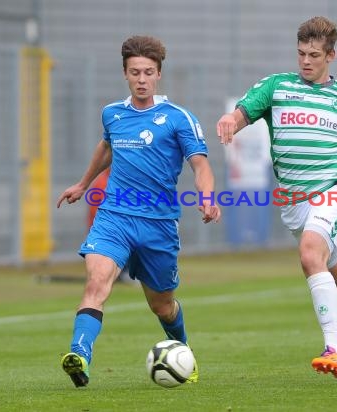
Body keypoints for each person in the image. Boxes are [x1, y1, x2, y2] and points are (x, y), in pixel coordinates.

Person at [216, 16, 337, 378]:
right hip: (294, 201)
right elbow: (245, 111)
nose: (306, 61)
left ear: (331, 56)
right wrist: (232, 119)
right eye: (301, 53)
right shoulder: (277, 87)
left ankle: (334, 351)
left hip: (335, 187)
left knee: (309, 254)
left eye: (314, 55)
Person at [56, 35, 221, 388]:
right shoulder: (113, 114)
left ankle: (183, 349)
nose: (142, 79)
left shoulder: (178, 119)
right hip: (114, 215)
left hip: (158, 225)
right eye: (135, 72)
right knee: (97, 282)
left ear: (159, 74)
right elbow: (106, 147)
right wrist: (84, 184)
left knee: (162, 305)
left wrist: (208, 197)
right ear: (125, 74)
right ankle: (79, 354)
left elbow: (200, 165)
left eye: (148, 72)